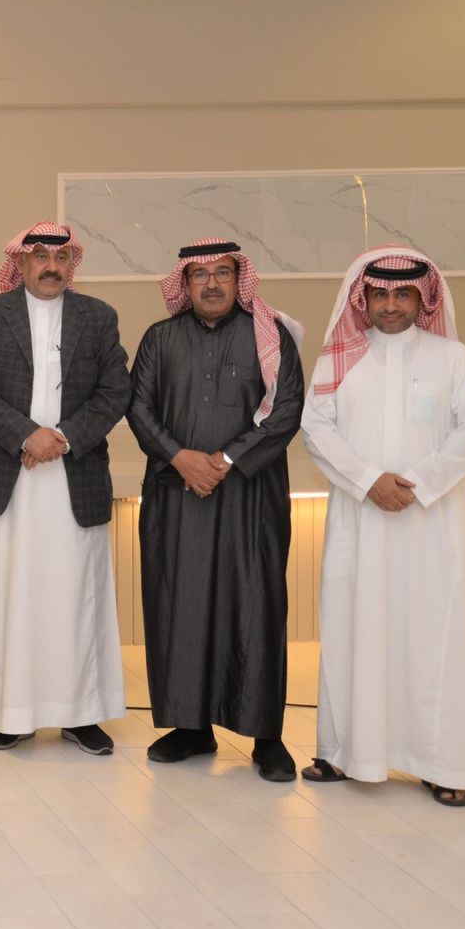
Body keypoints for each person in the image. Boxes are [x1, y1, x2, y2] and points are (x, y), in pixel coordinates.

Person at [300, 247, 465, 806]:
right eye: (380, 294)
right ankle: (346, 752)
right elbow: (316, 429)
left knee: (436, 636)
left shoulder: (453, 358)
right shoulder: (339, 359)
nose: (390, 305)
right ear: (363, 298)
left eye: (402, 294)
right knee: (353, 628)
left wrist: (417, 483)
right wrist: (368, 482)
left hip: (432, 521)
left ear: (421, 298)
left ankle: (444, 763)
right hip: (360, 518)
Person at [127, 239, 304, 782]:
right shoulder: (160, 339)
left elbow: (287, 408)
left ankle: (267, 737)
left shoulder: (270, 336)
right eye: (200, 274)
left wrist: (226, 459)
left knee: (256, 607)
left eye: (222, 273)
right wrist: (181, 458)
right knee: (179, 607)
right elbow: (138, 407)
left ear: (238, 278)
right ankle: (190, 727)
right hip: (176, 496)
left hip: (250, 497)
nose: (211, 284)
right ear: (184, 283)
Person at [0, 223, 130, 755]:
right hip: (12, 477)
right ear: (21, 263)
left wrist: (64, 438)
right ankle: (11, 714)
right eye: (39, 256)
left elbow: (115, 390)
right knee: (14, 595)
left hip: (75, 476)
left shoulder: (98, 316)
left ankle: (81, 714)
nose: (51, 266)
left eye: (61, 257)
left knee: (77, 597)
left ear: (72, 264)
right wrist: (25, 435)